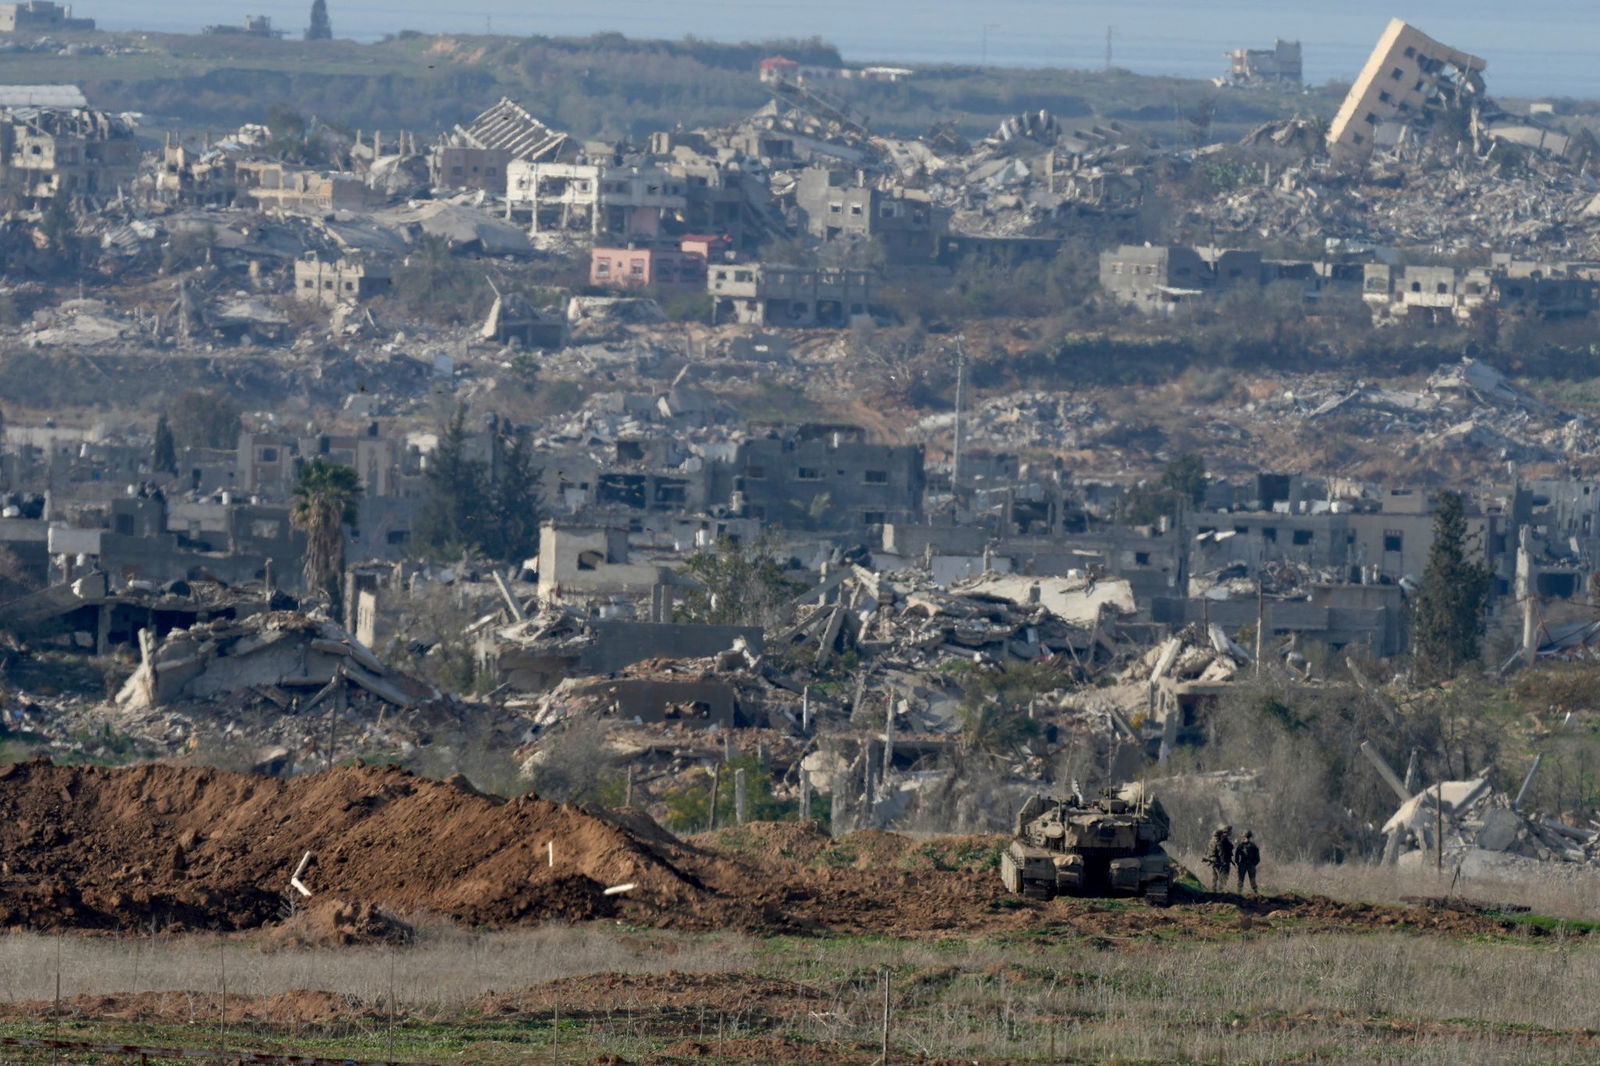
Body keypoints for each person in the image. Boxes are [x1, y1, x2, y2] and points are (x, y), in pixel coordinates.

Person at [1203, 825, 1234, 892]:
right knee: (1221, 876)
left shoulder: (1211, 841)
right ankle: (1221, 890)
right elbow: (1221, 852)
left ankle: (1214, 889)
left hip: (1213, 860)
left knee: (1215, 877)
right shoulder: (1219, 841)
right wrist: (1223, 861)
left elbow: (1207, 850)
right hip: (1218, 861)